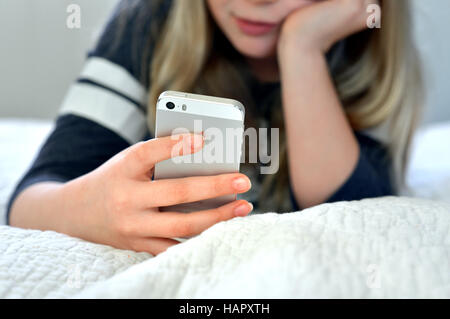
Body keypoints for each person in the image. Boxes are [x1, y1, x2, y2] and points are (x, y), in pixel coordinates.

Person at [7, 0, 422, 255]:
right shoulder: (149, 20)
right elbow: (27, 202)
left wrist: (302, 48)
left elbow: (359, 208)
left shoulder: (362, 46)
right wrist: (92, 208)